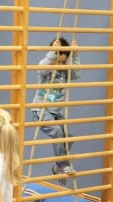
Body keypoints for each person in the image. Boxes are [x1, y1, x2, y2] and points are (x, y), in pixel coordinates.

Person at [31, 36, 81, 177]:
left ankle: (58, 164)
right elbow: (41, 69)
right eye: (57, 61)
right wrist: (52, 53)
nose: (60, 65)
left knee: (69, 136)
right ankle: (63, 164)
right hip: (41, 110)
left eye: (63, 62)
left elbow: (76, 74)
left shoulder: (65, 70)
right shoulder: (46, 69)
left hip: (57, 112)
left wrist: (75, 55)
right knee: (58, 132)